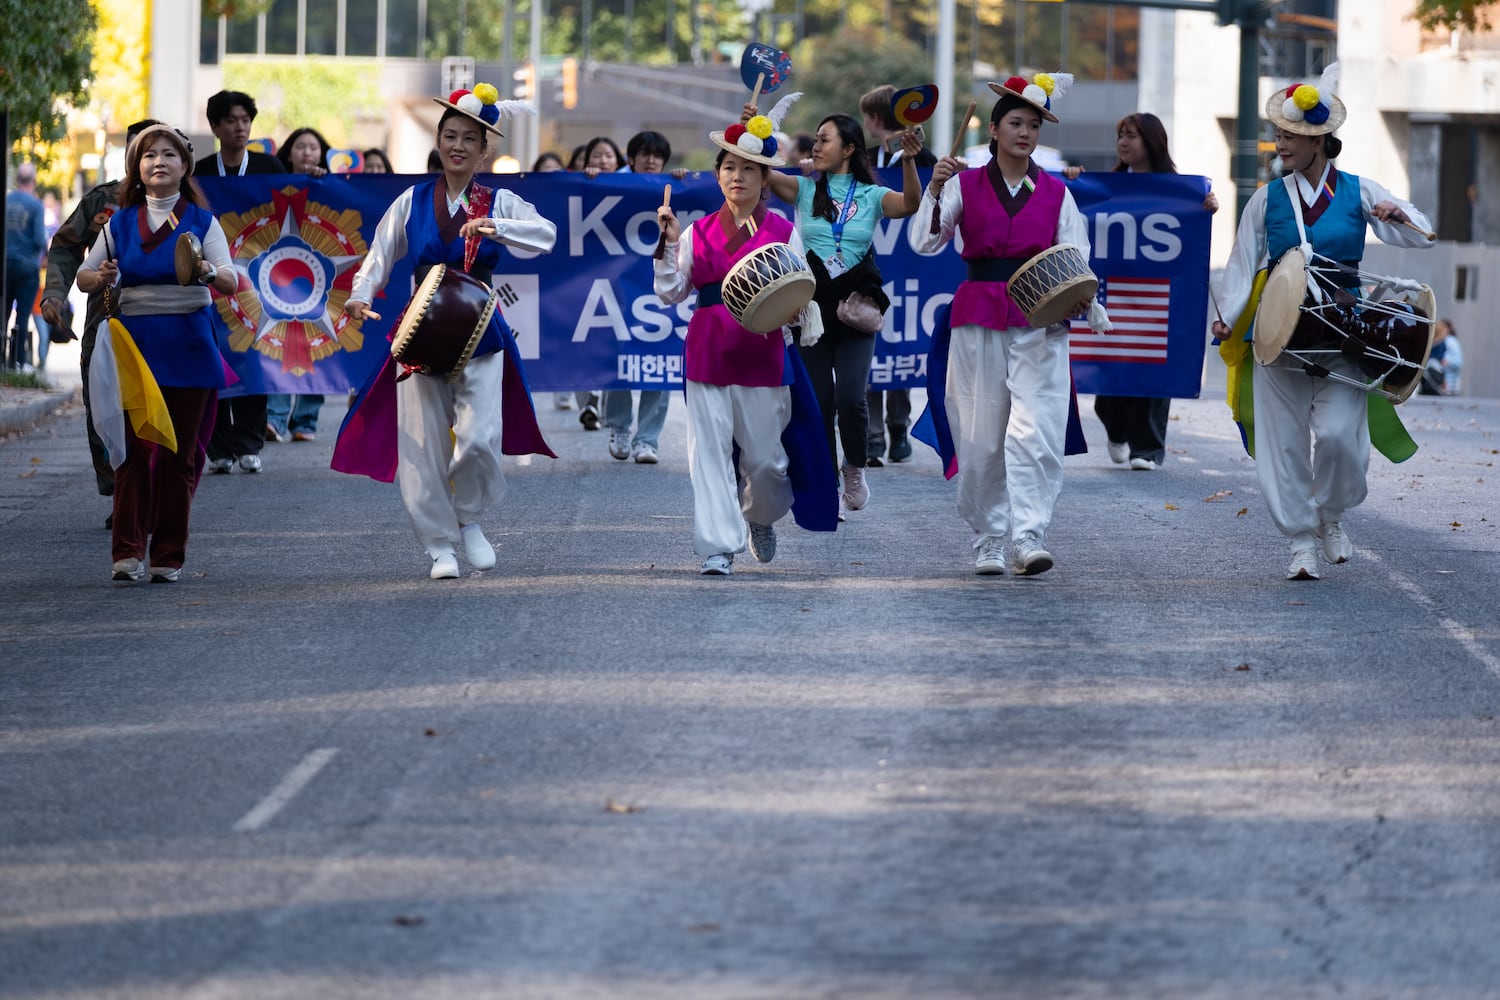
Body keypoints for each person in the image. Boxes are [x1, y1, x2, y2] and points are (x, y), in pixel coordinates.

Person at [1211, 64, 1434, 580]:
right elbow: (1244, 261)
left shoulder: (1358, 190)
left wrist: (1400, 217)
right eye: (1279, 135)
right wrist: (1227, 317)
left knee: (1337, 437)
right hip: (1276, 333)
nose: (1281, 144)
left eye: (1292, 136)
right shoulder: (1266, 198)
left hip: (1344, 331)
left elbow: (1419, 231)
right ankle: (1299, 543)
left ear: (1321, 141)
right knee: (1283, 442)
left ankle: (1331, 514)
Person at [336, 84, 558, 580]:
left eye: (468, 139)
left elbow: (547, 236)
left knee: (479, 436)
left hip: (480, 325)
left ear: (484, 150)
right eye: (450, 136)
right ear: (438, 142)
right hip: (420, 328)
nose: (457, 146)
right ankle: (440, 545)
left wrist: (496, 227)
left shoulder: (499, 200)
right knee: (421, 441)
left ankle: (469, 516)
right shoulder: (411, 201)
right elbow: (378, 257)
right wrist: (360, 295)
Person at [914, 73, 1109, 577]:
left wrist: (1086, 298)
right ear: (995, 130)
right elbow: (924, 242)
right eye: (1015, 123)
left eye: (1033, 126)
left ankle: (1029, 534)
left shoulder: (1057, 193)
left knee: (1038, 428)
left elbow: (1076, 254)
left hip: (1040, 315)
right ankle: (987, 537)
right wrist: (933, 191)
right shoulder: (963, 183)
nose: (1025, 133)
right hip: (978, 315)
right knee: (980, 433)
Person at [652, 112, 830, 574]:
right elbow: (671, 293)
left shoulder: (784, 232)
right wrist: (668, 247)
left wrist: (794, 312)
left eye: (749, 168)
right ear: (717, 176)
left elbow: (801, 290)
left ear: (765, 177)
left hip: (764, 354)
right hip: (708, 350)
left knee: (767, 462)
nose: (738, 176)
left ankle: (761, 516)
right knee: (708, 455)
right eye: (729, 168)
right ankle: (717, 546)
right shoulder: (695, 232)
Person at [76, 124, 238, 583]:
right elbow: (85, 278)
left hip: (189, 342)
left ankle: (168, 555)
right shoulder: (118, 224)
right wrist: (103, 275)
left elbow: (230, 281)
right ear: (137, 168)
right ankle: (126, 552)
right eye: (149, 156)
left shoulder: (202, 222)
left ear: (185, 166)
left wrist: (205, 269)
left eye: (169, 154)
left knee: (176, 454)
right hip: (135, 349)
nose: (159, 162)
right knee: (128, 452)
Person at [753, 107, 922, 515]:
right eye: (815, 137)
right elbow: (759, 169)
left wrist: (911, 159)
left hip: (857, 307)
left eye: (825, 139)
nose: (816, 145)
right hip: (810, 309)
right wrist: (752, 128)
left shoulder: (872, 195)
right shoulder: (805, 189)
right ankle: (826, 476)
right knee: (820, 401)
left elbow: (912, 204)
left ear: (849, 148)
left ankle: (854, 468)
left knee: (851, 396)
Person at [1077, 112, 1218, 472]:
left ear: (1152, 142)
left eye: (1132, 136)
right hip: (1114, 294)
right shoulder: (1103, 188)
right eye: (1120, 135)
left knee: (1155, 371)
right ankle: (1117, 431)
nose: (1123, 142)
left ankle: (1148, 449)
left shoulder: (1177, 190)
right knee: (1109, 388)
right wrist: (1074, 181)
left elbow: (1190, 238)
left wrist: (1205, 210)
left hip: (1157, 297)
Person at [43, 119, 163, 507]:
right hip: (106, 317)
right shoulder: (102, 200)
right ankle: (121, 494)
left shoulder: (185, 203)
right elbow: (64, 247)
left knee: (160, 404)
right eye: (143, 150)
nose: (152, 159)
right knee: (104, 402)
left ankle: (153, 493)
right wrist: (55, 294)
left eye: (161, 150)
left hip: (164, 321)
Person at [194, 92, 286, 475]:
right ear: (216, 127)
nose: (240, 127)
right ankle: (218, 447)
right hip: (211, 278)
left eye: (246, 119)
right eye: (231, 120)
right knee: (214, 358)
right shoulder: (199, 171)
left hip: (258, 280)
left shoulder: (269, 167)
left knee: (253, 358)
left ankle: (249, 442)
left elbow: (295, 203)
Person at [859, 85, 940, 468]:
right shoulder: (863, 158)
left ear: (875, 119)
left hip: (911, 264)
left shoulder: (921, 154)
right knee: (873, 346)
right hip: (874, 262)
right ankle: (873, 435)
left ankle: (898, 428)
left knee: (902, 347)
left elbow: (937, 190)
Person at [597, 130, 682, 465]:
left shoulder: (674, 188)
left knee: (659, 360)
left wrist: (684, 182)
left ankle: (647, 439)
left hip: (658, 285)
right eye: (644, 154)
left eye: (657, 156)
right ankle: (619, 427)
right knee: (620, 356)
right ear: (630, 159)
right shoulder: (611, 185)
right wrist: (593, 178)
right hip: (618, 285)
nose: (651, 161)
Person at [264, 126, 334, 446]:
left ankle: (306, 420)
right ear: (288, 152)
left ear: (323, 154)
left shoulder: (330, 186)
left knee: (316, 351)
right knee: (279, 349)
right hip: (275, 278)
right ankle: (275, 419)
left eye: (313, 147)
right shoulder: (267, 185)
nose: (307, 152)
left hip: (321, 282)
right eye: (301, 146)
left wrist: (322, 185)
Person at [570, 135, 626, 427]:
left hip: (620, 281)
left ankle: (604, 401)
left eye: (608, 155)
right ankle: (588, 401)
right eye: (596, 156)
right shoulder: (580, 186)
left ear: (618, 161)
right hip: (584, 279)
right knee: (587, 342)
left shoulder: (633, 186)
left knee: (614, 343)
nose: (602, 161)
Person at [4, 162, 46, 372]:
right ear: (33, 181)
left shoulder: (7, 201)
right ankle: (19, 362)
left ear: (17, 179)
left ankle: (2, 361)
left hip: (5, 266)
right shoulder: (36, 205)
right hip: (27, 267)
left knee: (3, 314)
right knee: (22, 316)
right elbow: (39, 238)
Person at [1421, 318, 1461, 396]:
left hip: (1443, 381)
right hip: (1437, 380)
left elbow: (1457, 361)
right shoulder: (1442, 343)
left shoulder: (1446, 342)